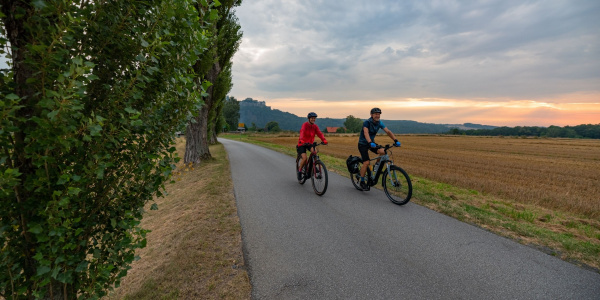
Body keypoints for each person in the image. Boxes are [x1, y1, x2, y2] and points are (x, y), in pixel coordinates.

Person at [357, 107, 401, 190]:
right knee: (366, 162)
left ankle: (376, 167)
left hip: (371, 143)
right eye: (376, 114)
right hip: (363, 144)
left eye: (379, 114)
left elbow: (388, 131)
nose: (377, 116)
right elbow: (366, 133)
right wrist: (370, 142)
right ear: (371, 115)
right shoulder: (367, 122)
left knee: (383, 151)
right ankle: (362, 182)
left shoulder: (379, 123)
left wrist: (395, 140)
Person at [297, 112, 327, 180]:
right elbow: (302, 132)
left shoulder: (315, 126)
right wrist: (301, 140)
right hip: (302, 144)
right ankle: (299, 171)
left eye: (314, 118)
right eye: (312, 118)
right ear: (309, 119)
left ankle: (314, 164)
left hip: (309, 143)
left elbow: (319, 133)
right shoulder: (305, 125)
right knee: (304, 158)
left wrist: (324, 140)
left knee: (314, 152)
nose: (313, 119)